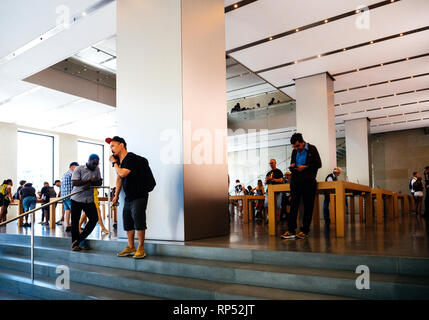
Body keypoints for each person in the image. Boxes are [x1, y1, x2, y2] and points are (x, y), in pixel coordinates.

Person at [107, 136, 156, 259]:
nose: (111, 149)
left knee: (138, 221)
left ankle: (141, 248)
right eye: (110, 146)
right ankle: (130, 247)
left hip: (139, 195)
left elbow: (123, 173)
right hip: (128, 197)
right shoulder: (121, 162)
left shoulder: (131, 158)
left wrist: (114, 163)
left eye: (113, 145)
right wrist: (116, 195)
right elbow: (119, 178)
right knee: (127, 222)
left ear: (121, 145)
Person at [281, 133, 321, 240]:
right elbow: (293, 164)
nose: (296, 148)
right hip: (296, 181)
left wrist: (306, 167)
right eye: (294, 146)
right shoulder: (295, 151)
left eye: (298, 146)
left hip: (308, 181)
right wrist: (292, 166)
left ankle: (305, 231)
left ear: (303, 142)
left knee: (308, 207)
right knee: (293, 205)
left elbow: (318, 164)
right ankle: (291, 230)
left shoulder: (312, 149)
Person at [70, 154, 103, 251]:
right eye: (93, 163)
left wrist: (92, 183)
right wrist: (87, 181)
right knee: (75, 221)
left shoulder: (97, 169)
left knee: (94, 219)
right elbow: (74, 182)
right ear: (88, 160)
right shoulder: (79, 169)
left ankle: (79, 239)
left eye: (96, 164)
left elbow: (99, 182)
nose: (94, 166)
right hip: (76, 198)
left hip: (89, 199)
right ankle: (75, 244)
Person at [57, 162, 79, 231]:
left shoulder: (65, 174)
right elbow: (75, 184)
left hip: (64, 196)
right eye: (76, 167)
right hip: (70, 195)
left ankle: (68, 225)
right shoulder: (72, 174)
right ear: (72, 167)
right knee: (75, 211)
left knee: (67, 210)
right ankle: (75, 227)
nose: (77, 169)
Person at [265, 159, 284, 223]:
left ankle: (278, 219)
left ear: (275, 163)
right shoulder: (268, 173)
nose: (271, 164)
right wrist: (266, 180)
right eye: (270, 163)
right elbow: (265, 182)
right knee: (266, 204)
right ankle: (268, 217)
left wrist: (273, 179)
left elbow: (281, 180)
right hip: (269, 190)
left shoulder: (279, 171)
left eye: (272, 163)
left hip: (278, 190)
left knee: (278, 205)